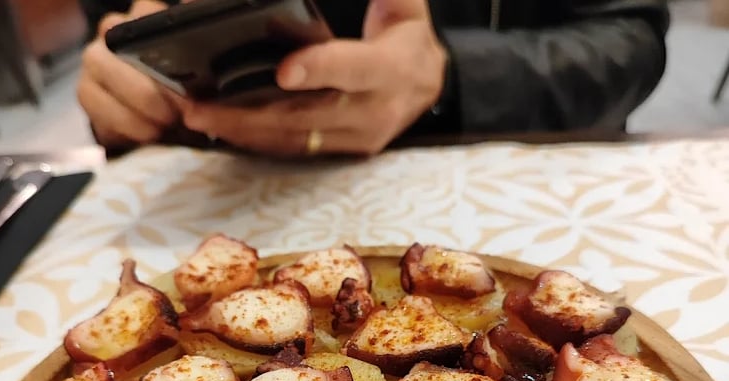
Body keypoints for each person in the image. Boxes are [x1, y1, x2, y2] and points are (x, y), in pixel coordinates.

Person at [77, 0, 669, 157]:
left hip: (502, 176)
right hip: (217, 187)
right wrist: (123, 97)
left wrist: (451, 75)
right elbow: (120, 32)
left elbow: (629, 41)